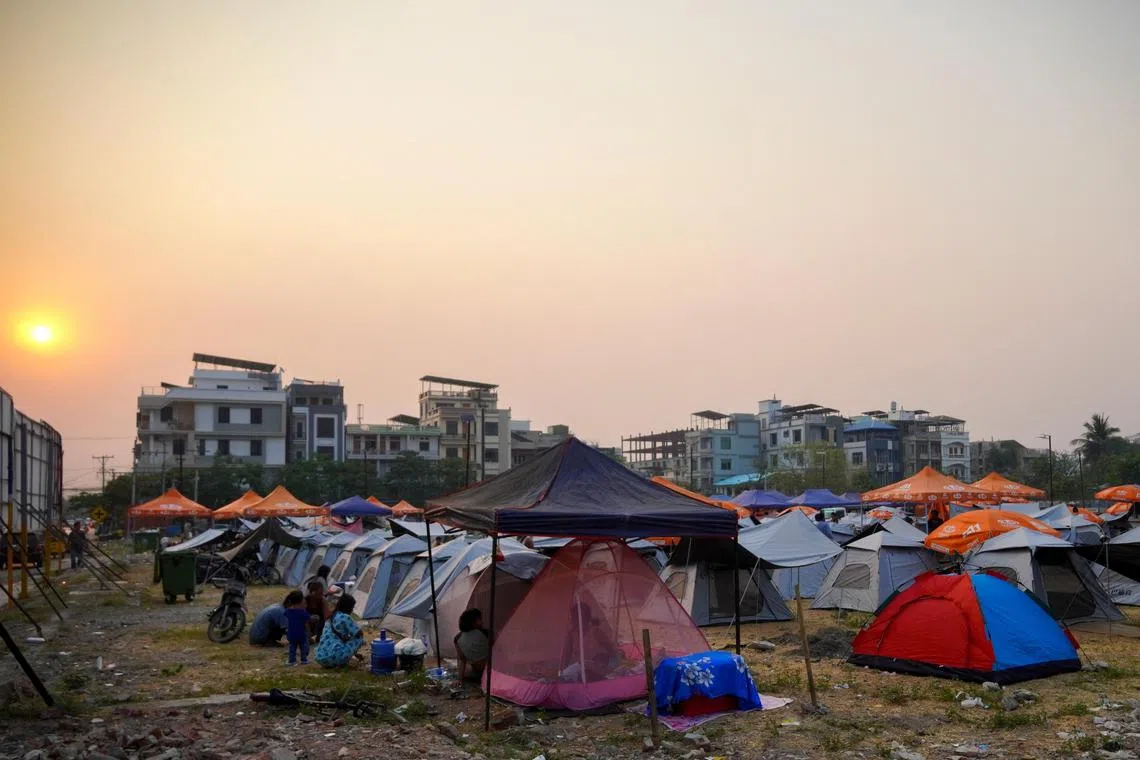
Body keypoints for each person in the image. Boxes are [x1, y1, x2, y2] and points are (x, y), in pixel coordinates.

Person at [315, 594, 365, 668]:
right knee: (359, 639)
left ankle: (332, 662)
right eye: (352, 607)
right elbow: (359, 633)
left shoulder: (330, 617)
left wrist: (355, 654)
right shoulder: (345, 617)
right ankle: (339, 661)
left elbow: (335, 639)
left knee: (340, 639)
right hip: (336, 657)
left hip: (320, 657)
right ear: (349, 607)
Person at [454, 608, 490, 684]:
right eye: (480, 619)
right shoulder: (485, 633)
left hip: (475, 673)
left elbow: (462, 660)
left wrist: (460, 680)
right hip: (489, 673)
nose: (482, 622)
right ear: (474, 621)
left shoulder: (457, 638)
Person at [283, 590, 311, 666]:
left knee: (292, 647)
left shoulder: (288, 611)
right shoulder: (303, 612)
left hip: (292, 633)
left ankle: (292, 660)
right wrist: (309, 633)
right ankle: (304, 659)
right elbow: (306, 624)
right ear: (301, 600)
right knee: (303, 647)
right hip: (301, 633)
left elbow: (287, 622)